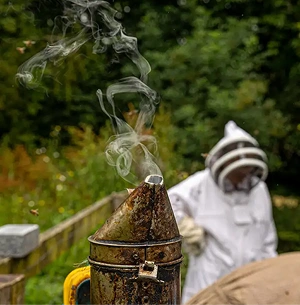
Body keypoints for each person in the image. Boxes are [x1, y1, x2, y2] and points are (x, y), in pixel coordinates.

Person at [168, 120, 278, 305]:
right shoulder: (201, 184)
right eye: (237, 172)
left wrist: (271, 274)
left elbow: (268, 238)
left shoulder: (259, 191)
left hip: (253, 280)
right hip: (210, 276)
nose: (241, 176)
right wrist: (186, 227)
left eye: (245, 171)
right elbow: (167, 202)